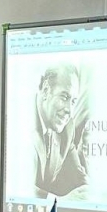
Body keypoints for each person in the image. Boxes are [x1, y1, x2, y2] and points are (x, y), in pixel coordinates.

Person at [34, 64, 88, 197]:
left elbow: (78, 175)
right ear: (46, 90)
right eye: (64, 97)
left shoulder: (67, 127)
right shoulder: (17, 121)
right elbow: (15, 187)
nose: (70, 111)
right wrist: (58, 201)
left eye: (73, 101)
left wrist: (89, 192)